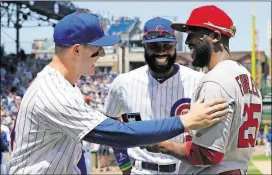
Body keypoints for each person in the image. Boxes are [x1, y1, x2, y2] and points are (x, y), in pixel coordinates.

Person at [7, 12, 229, 174]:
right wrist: (185, 121)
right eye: (97, 49)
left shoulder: (66, 86)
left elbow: (75, 154)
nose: (103, 53)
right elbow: (119, 133)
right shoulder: (53, 93)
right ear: (76, 50)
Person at [146, 5, 263, 175]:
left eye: (192, 34)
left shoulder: (216, 80)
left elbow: (208, 155)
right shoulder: (246, 77)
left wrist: (162, 145)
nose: (186, 42)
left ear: (215, 36)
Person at [103, 17, 209, 175]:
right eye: (154, 46)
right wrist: (124, 164)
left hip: (183, 169)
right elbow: (109, 125)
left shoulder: (198, 81)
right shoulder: (123, 83)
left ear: (175, 46)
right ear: (144, 46)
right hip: (141, 170)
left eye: (167, 45)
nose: (161, 51)